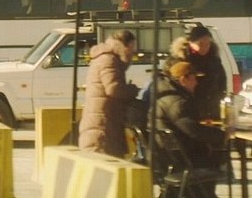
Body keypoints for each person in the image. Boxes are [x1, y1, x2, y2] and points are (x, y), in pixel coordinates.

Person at [154, 61, 224, 195]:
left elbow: (187, 125)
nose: (196, 83)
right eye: (193, 79)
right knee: (216, 157)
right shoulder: (177, 102)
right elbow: (193, 131)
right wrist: (222, 135)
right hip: (182, 159)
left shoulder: (165, 96)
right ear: (183, 80)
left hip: (167, 156)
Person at [78, 29, 140, 158]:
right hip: (103, 124)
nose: (133, 51)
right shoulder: (109, 60)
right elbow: (113, 89)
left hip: (101, 120)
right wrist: (134, 89)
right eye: (132, 47)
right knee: (104, 159)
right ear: (126, 45)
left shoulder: (104, 58)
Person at [167, 24, 226, 120]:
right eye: (200, 44)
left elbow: (222, 82)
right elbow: (171, 83)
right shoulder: (179, 59)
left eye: (207, 44)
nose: (204, 48)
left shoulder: (214, 59)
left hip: (211, 109)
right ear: (190, 43)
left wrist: (218, 99)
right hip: (186, 108)